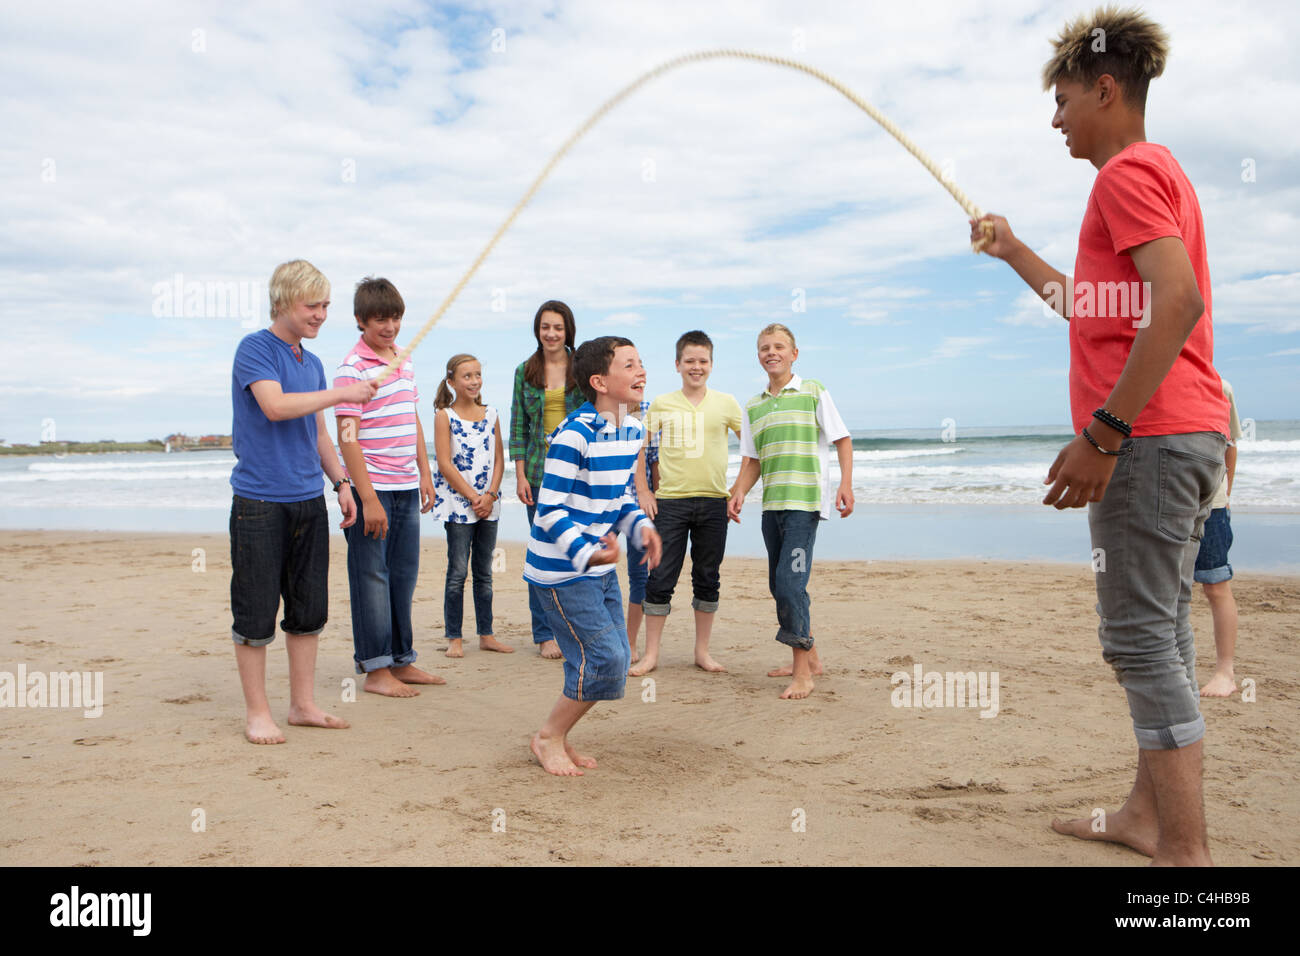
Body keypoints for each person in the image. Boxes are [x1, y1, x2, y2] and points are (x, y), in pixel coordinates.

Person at [971, 7, 1229, 865]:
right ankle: (1144, 817)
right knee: (1166, 630)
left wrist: (1108, 431)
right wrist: (1013, 252)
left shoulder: (1123, 175)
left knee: (1141, 639)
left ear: (1106, 91)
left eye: (1064, 101)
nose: (1056, 120)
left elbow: (1179, 301)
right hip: (1184, 431)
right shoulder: (1161, 173)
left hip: (1150, 439)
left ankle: (1184, 859)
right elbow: (1097, 308)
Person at [229, 259, 376, 744]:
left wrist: (341, 484)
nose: (321, 314)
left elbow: (316, 434)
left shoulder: (310, 363)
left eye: (326, 305)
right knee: (254, 610)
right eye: (312, 305)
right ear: (284, 301)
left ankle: (303, 705)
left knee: (308, 609)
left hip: (308, 499)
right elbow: (275, 407)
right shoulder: (255, 348)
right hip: (259, 502)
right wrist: (343, 394)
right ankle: (257, 713)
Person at [525, 336, 662, 776]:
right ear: (600, 382)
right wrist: (586, 555)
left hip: (599, 565)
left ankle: (557, 736)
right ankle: (548, 737)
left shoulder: (635, 429)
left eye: (640, 362)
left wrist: (642, 528)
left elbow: (618, 496)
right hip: (562, 571)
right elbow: (548, 509)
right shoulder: (573, 435)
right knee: (607, 659)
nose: (641, 370)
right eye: (629, 365)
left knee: (610, 662)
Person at [727, 324, 854, 700]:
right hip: (772, 509)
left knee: (790, 584)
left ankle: (802, 675)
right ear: (759, 356)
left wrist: (845, 484)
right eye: (765, 348)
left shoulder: (813, 391)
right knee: (779, 585)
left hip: (804, 506)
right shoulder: (753, 405)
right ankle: (810, 656)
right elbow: (753, 461)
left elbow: (843, 439)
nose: (772, 352)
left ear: (793, 354)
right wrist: (737, 492)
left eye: (779, 346)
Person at [334, 277, 443, 698]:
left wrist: (425, 471)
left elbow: (409, 416)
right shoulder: (351, 369)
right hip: (372, 489)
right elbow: (347, 437)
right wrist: (367, 498)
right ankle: (376, 669)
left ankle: (402, 660)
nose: (390, 326)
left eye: (395, 317)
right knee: (371, 577)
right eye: (380, 319)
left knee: (403, 575)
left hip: (405, 484)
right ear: (361, 321)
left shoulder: (404, 359)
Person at [631, 330, 742, 675]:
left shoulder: (727, 403)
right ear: (678, 364)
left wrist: (737, 490)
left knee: (707, 577)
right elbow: (637, 449)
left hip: (713, 504)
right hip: (671, 504)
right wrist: (644, 492)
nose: (696, 367)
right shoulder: (663, 403)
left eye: (703, 361)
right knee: (660, 577)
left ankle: (702, 652)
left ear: (711, 364)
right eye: (689, 361)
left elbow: (751, 449)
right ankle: (650, 655)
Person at [509, 300, 584, 659]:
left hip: (578, 473)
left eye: (557, 327)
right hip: (539, 475)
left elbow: (597, 415)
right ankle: (544, 634)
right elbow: (518, 427)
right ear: (537, 330)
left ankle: (576, 629)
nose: (551, 334)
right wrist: (520, 475)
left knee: (577, 550)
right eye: (545, 327)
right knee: (542, 552)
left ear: (568, 330)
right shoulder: (524, 371)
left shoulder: (582, 369)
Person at [432, 353, 511, 657]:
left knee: (484, 572)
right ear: (451, 381)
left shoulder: (491, 413)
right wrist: (472, 497)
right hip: (458, 504)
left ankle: (486, 634)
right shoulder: (444, 416)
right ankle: (454, 637)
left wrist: (490, 495)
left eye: (477, 375)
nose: (474, 381)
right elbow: (444, 463)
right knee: (457, 572)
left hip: (490, 503)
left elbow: (499, 458)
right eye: (467, 376)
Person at [1197, 379, 1243, 698]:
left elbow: (1230, 445)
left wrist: (1225, 493)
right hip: (1160, 503)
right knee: (1164, 586)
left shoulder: (1220, 385)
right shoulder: (1148, 370)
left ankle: (1225, 671)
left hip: (1210, 505)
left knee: (1215, 585)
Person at [624, 396, 658, 663]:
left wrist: (657, 496)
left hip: (639, 504)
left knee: (640, 575)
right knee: (595, 571)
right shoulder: (597, 410)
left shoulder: (649, 412)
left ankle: (630, 642)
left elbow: (654, 458)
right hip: (604, 502)